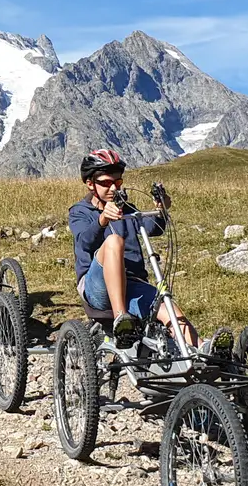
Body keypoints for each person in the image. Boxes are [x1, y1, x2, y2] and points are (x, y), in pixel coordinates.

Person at [67, 149, 199, 347]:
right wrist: (102, 219)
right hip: (96, 286)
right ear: (90, 184)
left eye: (118, 183)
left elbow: (154, 228)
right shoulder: (80, 212)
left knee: (168, 310)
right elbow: (84, 242)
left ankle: (202, 352)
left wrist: (161, 209)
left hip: (132, 284)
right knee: (114, 241)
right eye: (105, 183)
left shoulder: (126, 208)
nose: (113, 188)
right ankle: (122, 321)